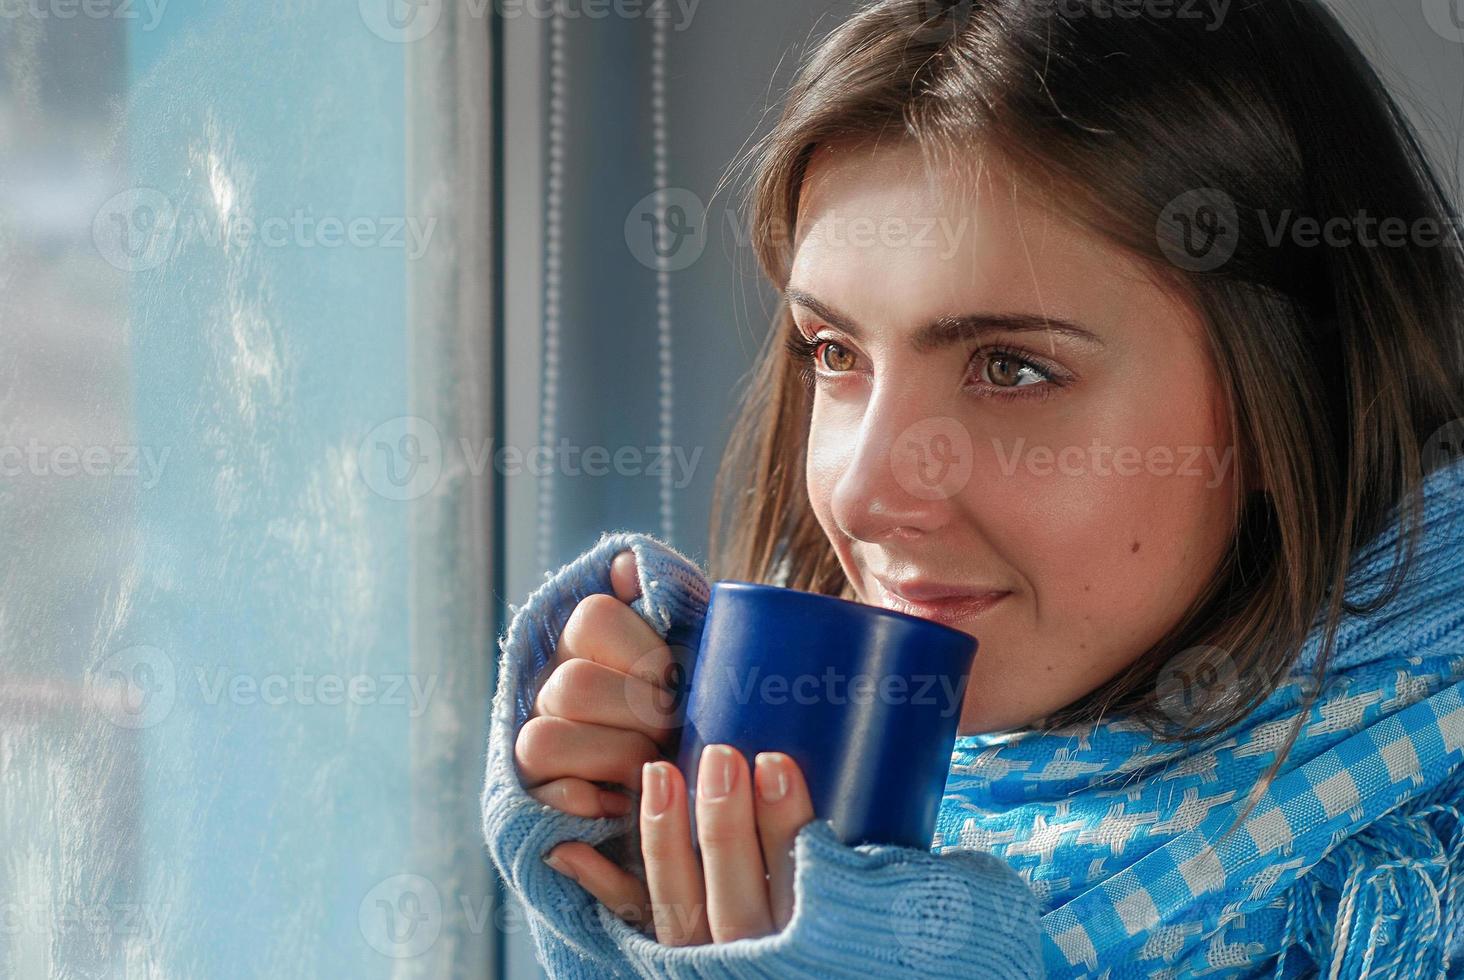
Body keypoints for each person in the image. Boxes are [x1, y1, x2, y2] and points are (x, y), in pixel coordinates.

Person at [484, 0, 1464, 974]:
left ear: (1290, 391)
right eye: (833, 351)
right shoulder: (832, 774)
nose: (863, 494)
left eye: (1011, 369)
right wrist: (654, 863)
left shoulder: (1419, 892)